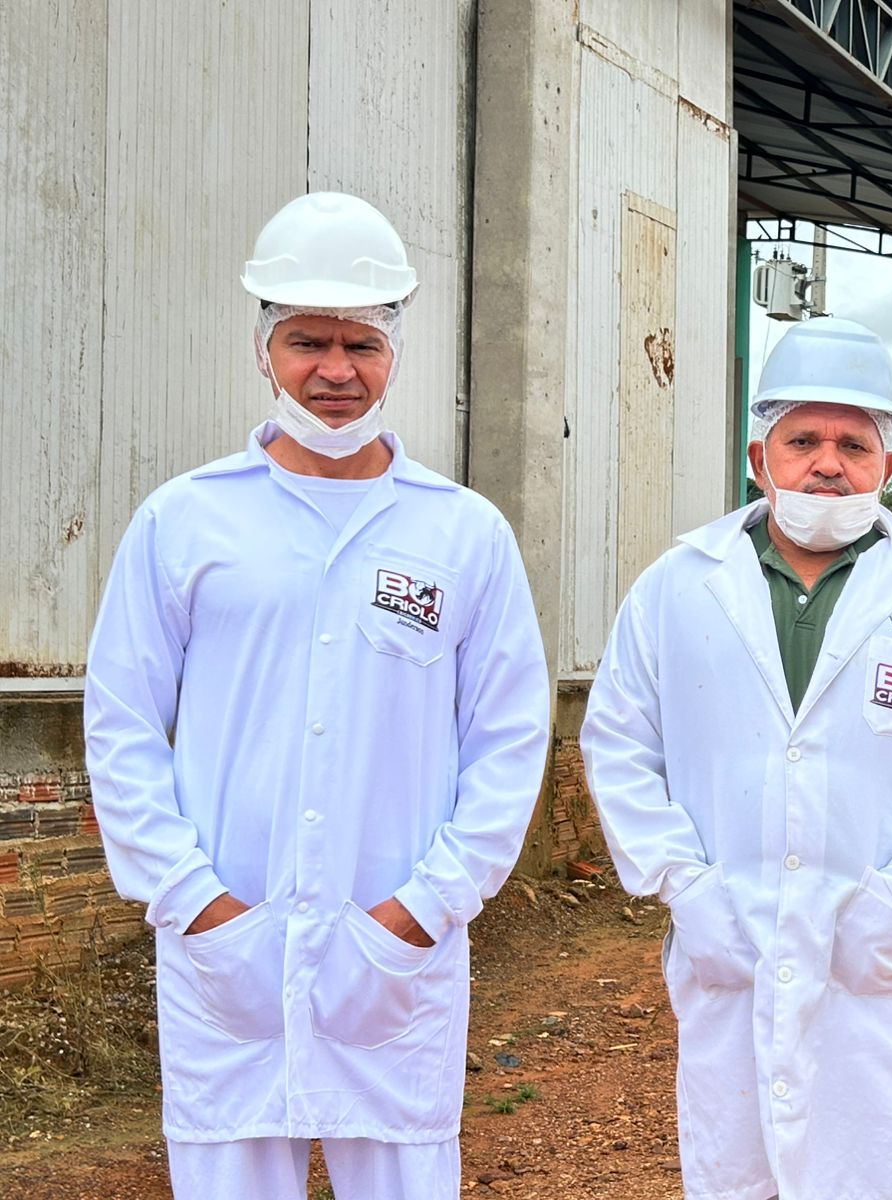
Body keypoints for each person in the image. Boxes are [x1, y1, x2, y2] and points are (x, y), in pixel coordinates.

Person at [83, 192, 550, 1200]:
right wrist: (194, 902)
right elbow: (121, 726)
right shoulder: (186, 520)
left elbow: (509, 740)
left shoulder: (462, 534)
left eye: (362, 343)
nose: (336, 371)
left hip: (392, 958)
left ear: (394, 352)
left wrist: (425, 909)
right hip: (228, 952)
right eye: (308, 342)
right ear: (264, 348)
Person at [581, 316, 892, 1200]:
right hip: (735, 944)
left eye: (851, 443)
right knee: (742, 1170)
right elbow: (618, 745)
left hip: (889, 966)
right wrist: (686, 886)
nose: (826, 462)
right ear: (761, 457)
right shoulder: (677, 590)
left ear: (888, 468)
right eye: (803, 440)